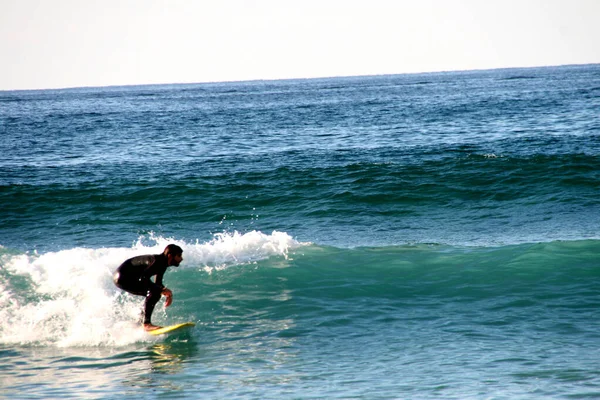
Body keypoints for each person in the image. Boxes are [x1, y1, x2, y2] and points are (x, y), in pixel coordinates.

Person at [113, 244, 183, 331]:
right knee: (155, 292)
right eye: (179, 256)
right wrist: (162, 290)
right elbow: (143, 278)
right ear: (170, 255)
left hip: (125, 277)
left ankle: (141, 321)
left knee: (155, 292)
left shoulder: (163, 264)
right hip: (123, 277)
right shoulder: (156, 261)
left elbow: (158, 284)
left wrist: (168, 294)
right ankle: (146, 324)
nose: (181, 259)